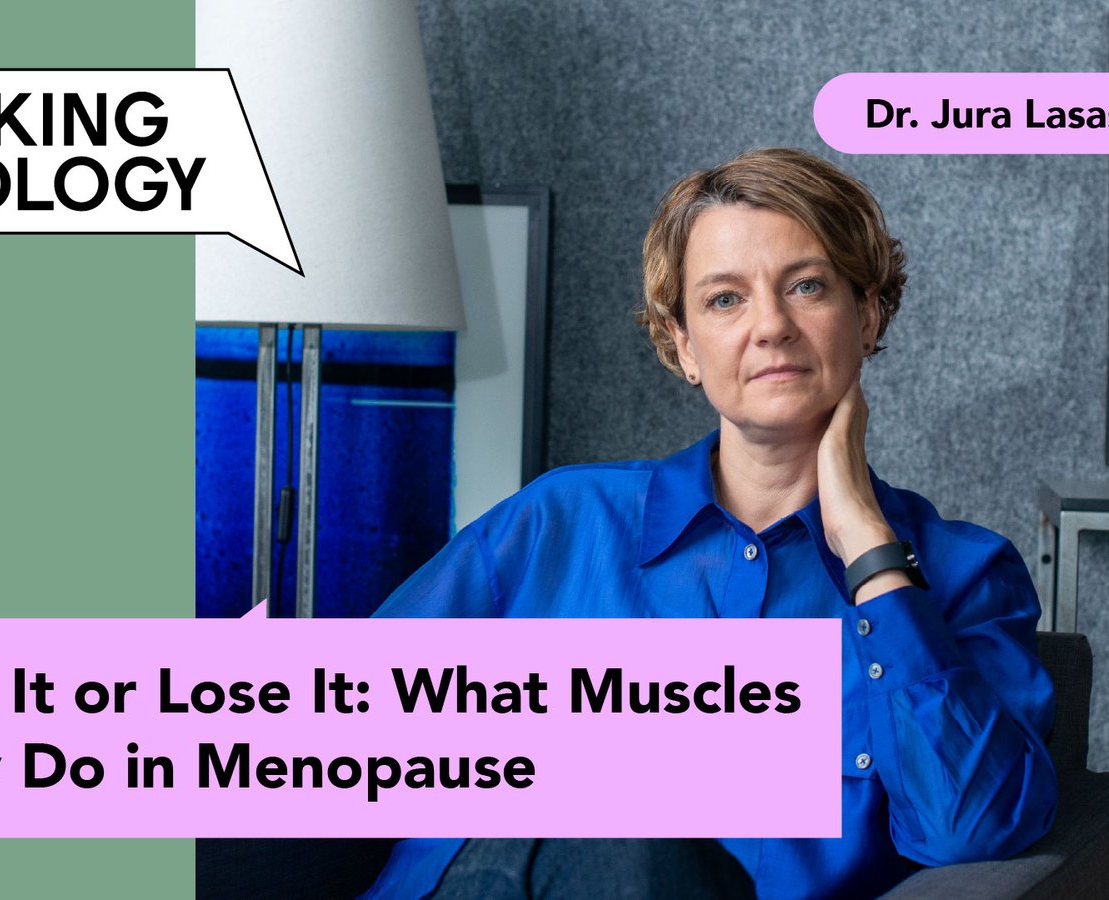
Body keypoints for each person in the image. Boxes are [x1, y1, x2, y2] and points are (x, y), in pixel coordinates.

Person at [363, 148, 1057, 899]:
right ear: (685, 345)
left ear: (866, 314)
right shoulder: (560, 521)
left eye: (807, 286)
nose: (772, 326)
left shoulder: (963, 575)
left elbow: (972, 827)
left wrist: (868, 545)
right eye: (726, 299)